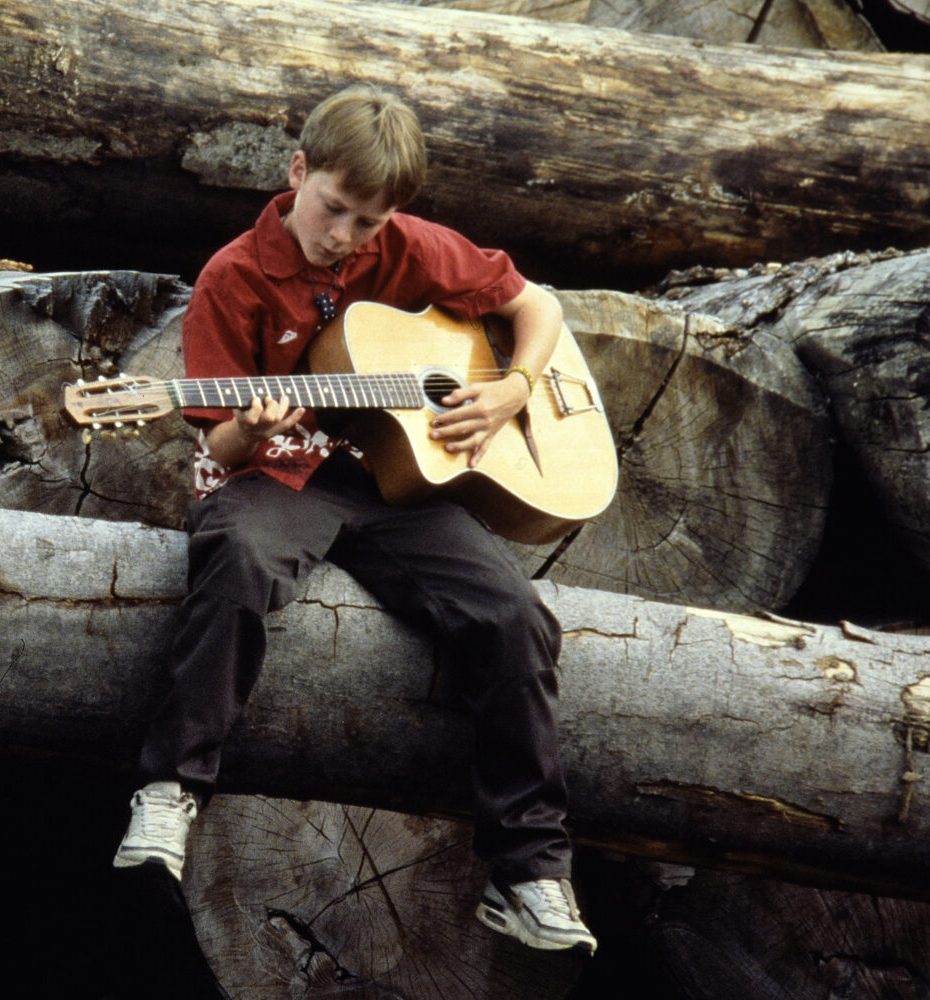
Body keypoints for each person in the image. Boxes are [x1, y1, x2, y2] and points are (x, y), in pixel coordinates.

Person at [112, 84, 596, 956]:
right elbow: (217, 445)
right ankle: (167, 792)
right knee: (239, 556)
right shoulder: (233, 277)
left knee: (514, 613)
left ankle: (528, 869)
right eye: (333, 208)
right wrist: (251, 424)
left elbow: (538, 306)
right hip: (274, 474)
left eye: (367, 223)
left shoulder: (411, 247)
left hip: (394, 481)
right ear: (299, 170)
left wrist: (511, 390)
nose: (344, 235)